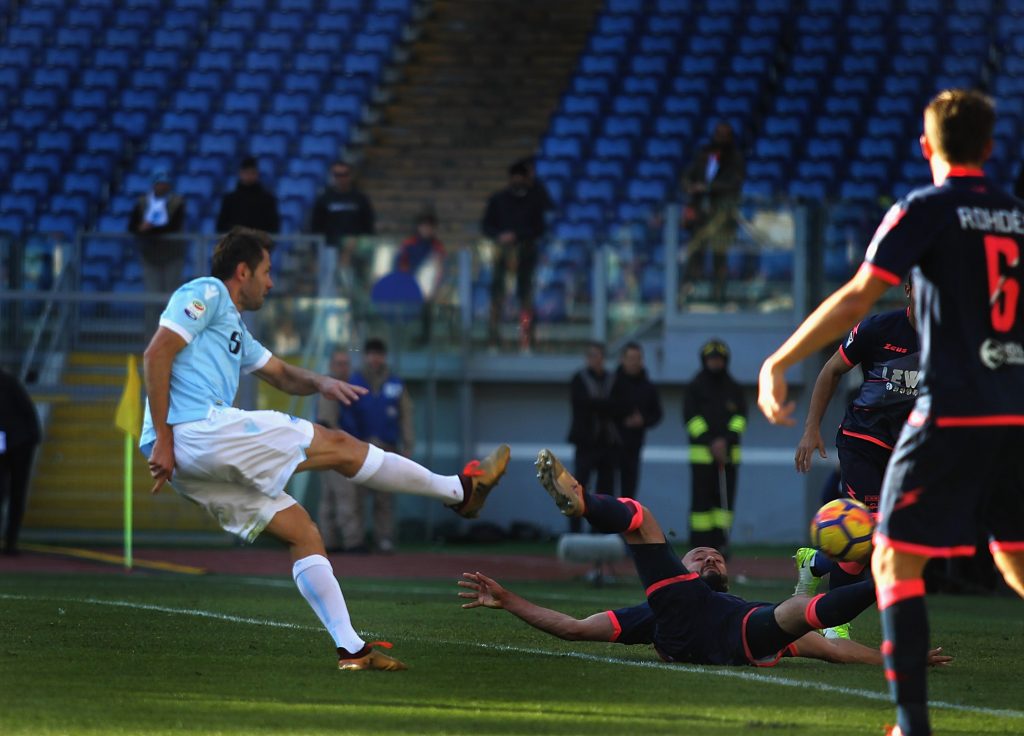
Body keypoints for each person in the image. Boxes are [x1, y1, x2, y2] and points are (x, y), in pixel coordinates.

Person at [757, 89, 1024, 736]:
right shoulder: (1016, 215)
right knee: (1015, 559)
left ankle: (910, 725)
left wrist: (778, 362)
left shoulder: (925, 208)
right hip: (1012, 415)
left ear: (926, 147)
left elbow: (857, 297)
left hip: (948, 412)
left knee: (893, 561)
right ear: (990, 148)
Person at [141, 225, 510, 671]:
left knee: (303, 532)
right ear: (243, 272)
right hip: (193, 430)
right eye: (267, 271)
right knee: (338, 445)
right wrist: (165, 436)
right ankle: (461, 491)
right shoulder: (206, 292)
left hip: (186, 456)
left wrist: (321, 381)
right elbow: (156, 353)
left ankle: (351, 649)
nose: (271, 282)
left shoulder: (234, 326)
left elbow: (277, 372)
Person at [459, 448, 952, 671]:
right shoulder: (654, 608)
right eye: (701, 555)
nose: (712, 557)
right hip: (681, 618)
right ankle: (582, 502)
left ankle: (894, 577)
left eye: (717, 556)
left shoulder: (743, 606)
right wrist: (510, 599)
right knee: (643, 520)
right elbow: (572, 626)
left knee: (800, 614)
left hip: (741, 636)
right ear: (684, 567)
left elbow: (836, 650)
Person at [792, 281, 919, 639]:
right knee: (866, 529)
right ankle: (835, 625)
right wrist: (811, 428)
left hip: (909, 453)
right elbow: (831, 370)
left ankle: (814, 562)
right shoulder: (878, 328)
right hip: (863, 442)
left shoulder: (953, 339)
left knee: (896, 536)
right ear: (909, 290)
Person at [345, 338, 414, 554]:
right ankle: (354, 540)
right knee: (355, 496)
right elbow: (346, 412)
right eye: (372, 354)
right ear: (365, 356)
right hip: (359, 446)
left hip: (387, 446)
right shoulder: (353, 379)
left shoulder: (395, 383)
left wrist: (408, 443)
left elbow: (406, 415)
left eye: (379, 354)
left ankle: (384, 539)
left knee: (385, 498)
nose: (375, 359)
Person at [683, 339, 746, 554]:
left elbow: (740, 419)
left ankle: (721, 546)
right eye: (711, 359)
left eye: (719, 359)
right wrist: (711, 442)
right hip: (702, 458)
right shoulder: (695, 387)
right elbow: (691, 419)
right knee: (701, 507)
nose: (715, 363)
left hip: (728, 459)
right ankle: (699, 549)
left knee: (724, 507)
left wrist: (726, 441)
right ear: (704, 360)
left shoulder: (734, 388)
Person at [481, 160, 549, 350]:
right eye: (515, 177)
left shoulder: (534, 201)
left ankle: (526, 340)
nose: (518, 180)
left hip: (526, 255)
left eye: (522, 177)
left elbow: (540, 229)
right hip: (501, 256)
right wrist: (500, 236)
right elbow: (486, 226)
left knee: (525, 298)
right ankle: (493, 340)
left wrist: (517, 236)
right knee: (497, 298)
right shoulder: (498, 199)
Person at [680, 121, 745, 304]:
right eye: (718, 134)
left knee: (719, 256)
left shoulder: (735, 158)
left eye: (725, 135)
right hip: (701, 215)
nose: (721, 138)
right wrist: (689, 186)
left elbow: (734, 183)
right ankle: (688, 293)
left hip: (722, 215)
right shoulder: (704, 155)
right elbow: (687, 176)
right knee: (695, 253)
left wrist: (708, 188)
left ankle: (719, 295)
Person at [566, 342, 619, 533]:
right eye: (592, 356)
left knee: (605, 492)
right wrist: (604, 405)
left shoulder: (612, 378)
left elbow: (617, 405)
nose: (596, 360)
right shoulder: (579, 379)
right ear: (587, 358)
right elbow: (582, 404)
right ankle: (575, 531)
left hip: (607, 443)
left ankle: (600, 531)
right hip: (585, 442)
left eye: (599, 356)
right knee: (578, 488)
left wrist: (600, 405)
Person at [128, 168, 187, 333]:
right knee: (152, 302)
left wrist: (148, 228)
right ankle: (151, 339)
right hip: (150, 257)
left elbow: (173, 227)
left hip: (172, 256)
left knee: (172, 301)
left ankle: (172, 339)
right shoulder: (142, 203)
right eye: (159, 184)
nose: (161, 187)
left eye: (164, 184)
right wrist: (143, 229)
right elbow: (133, 226)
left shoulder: (176, 203)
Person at [315, 347, 360, 553]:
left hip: (330, 449)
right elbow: (327, 423)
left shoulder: (343, 386)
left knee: (330, 498)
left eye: (346, 363)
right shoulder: (331, 390)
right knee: (344, 496)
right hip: (336, 449)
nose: (344, 368)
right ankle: (352, 542)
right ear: (332, 366)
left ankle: (329, 540)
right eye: (339, 363)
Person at [610, 342, 662, 500]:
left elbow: (657, 414)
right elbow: (605, 408)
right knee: (606, 490)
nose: (634, 362)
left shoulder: (647, 386)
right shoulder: (611, 383)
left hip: (634, 446)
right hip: (609, 444)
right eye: (631, 358)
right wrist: (622, 418)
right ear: (622, 360)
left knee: (629, 492)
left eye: (637, 358)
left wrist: (642, 421)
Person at [0, 368, 41, 556]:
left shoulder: (7, 383)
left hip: (20, 442)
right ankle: (10, 543)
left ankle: (11, 543)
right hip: (15, 440)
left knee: (15, 492)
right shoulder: (10, 382)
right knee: (11, 492)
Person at [395, 212, 445, 343]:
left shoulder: (437, 246)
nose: (426, 230)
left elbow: (439, 269)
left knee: (426, 310)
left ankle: (424, 339)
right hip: (408, 284)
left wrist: (434, 288)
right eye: (424, 226)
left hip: (427, 288)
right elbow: (400, 264)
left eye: (429, 227)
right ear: (418, 227)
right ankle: (403, 338)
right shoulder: (409, 243)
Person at [310, 161, 375, 246]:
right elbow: (316, 225)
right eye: (337, 175)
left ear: (350, 176)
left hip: (355, 246)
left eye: (345, 174)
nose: (341, 178)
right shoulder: (324, 199)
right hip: (330, 246)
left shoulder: (360, 198)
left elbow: (368, 223)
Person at [215, 155, 280, 234]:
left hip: (258, 243)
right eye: (246, 172)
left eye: (252, 172)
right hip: (236, 244)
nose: (249, 176)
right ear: (240, 173)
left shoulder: (267, 199)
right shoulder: (230, 199)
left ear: (257, 174)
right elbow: (221, 226)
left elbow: (274, 227)